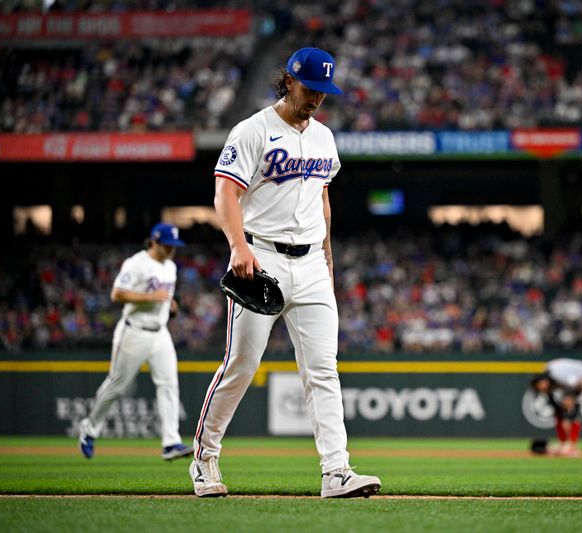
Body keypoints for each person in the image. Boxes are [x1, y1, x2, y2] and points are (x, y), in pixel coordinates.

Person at [190, 47, 381, 498]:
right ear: (289, 81)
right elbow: (225, 193)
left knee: (323, 370)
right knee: (241, 364)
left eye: (324, 92)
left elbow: (322, 200)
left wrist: (328, 260)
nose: (318, 98)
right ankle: (204, 457)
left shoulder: (324, 138)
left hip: (312, 261)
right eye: (311, 89)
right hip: (262, 258)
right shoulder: (253, 130)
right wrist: (238, 246)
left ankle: (336, 471)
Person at [78, 223, 193, 461]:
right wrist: (150, 297)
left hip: (160, 332)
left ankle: (171, 442)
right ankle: (89, 429)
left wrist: (169, 304)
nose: (172, 250)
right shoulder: (136, 263)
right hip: (134, 332)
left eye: (174, 246)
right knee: (117, 386)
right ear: (154, 241)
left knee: (169, 384)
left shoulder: (171, 267)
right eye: (168, 245)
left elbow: (164, 296)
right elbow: (117, 293)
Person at [530, 358, 582, 457]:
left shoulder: (558, 374)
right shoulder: (548, 376)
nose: (541, 387)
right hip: (572, 380)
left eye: (541, 384)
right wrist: (560, 413)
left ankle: (572, 446)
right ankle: (563, 443)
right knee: (559, 413)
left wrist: (568, 416)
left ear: (544, 380)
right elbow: (553, 400)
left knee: (571, 413)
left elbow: (574, 387)